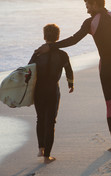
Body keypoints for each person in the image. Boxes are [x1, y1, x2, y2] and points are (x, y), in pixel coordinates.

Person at [35, 0, 111, 153]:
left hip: (107, 67)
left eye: (88, 6)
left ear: (95, 4)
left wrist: (50, 46)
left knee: (110, 103)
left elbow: (73, 40)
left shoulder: (91, 22)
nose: (87, 10)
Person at [29, 24, 74, 163]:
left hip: (39, 90)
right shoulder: (62, 54)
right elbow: (69, 71)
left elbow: (28, 70)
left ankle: (40, 148)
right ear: (58, 37)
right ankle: (47, 155)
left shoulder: (37, 53)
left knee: (40, 119)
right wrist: (70, 83)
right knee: (51, 122)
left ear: (44, 36)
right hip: (53, 90)